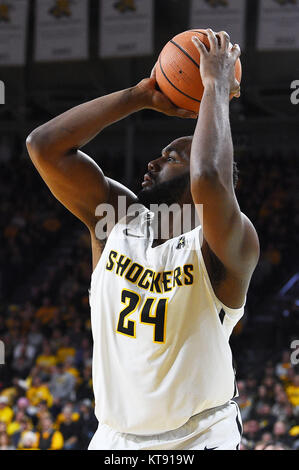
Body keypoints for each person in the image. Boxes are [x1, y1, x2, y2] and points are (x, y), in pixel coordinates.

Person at [26, 29, 259, 450]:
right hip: (115, 437)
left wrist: (215, 89)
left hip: (200, 436)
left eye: (171, 157)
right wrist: (140, 95)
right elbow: (44, 146)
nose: (153, 162)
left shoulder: (226, 244)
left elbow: (209, 177)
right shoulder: (116, 219)